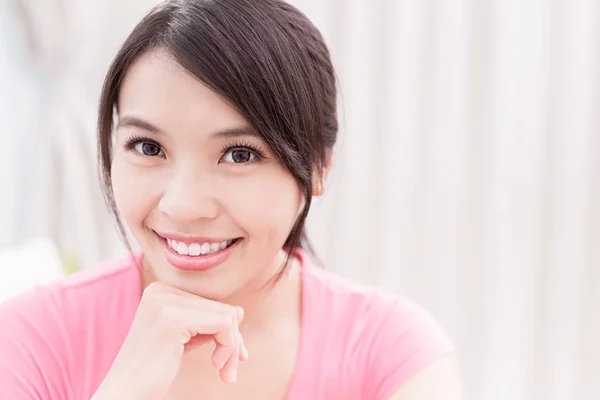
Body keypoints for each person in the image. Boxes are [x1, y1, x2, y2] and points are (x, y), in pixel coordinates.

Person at [0, 1, 461, 399]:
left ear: (319, 167)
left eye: (239, 154)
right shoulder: (29, 339)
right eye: (148, 147)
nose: (182, 205)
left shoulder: (393, 353)